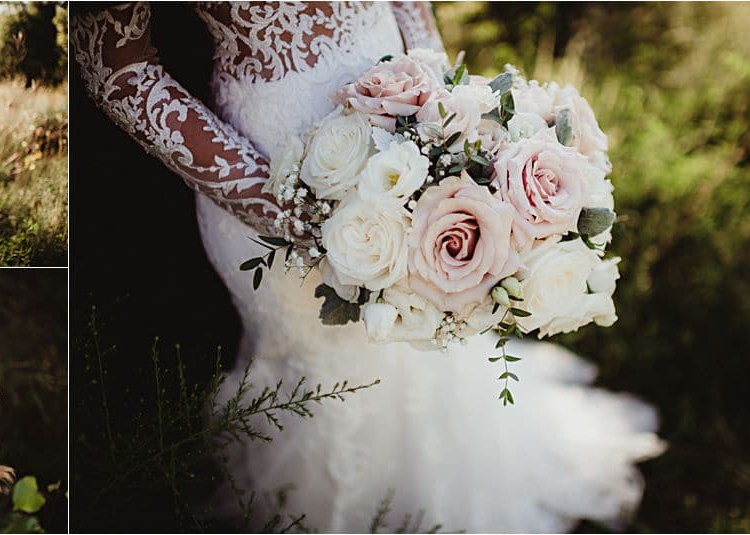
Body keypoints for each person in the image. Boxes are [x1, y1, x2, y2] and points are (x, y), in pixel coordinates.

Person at [70, 2, 665, 532]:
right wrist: (283, 210)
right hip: (269, 176)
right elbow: (115, 68)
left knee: (436, 328)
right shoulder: (275, 204)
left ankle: (449, 490)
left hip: (418, 117)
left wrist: (449, 110)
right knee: (324, 367)